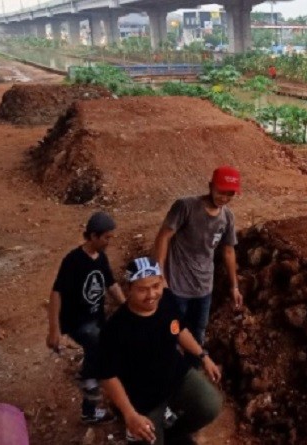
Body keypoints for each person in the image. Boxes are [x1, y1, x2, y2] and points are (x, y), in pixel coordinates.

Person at [99, 257, 222, 445]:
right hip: (143, 397)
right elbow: (107, 375)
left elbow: (179, 329)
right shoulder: (116, 328)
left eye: (155, 286)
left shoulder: (167, 300)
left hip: (175, 376)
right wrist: (130, 414)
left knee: (210, 405)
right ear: (129, 288)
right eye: (142, 289)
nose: (151, 295)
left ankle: (173, 434)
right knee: (146, 437)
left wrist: (203, 356)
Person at [46, 211, 125, 424]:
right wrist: (54, 330)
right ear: (92, 236)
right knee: (98, 345)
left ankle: (92, 404)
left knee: (110, 344)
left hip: (97, 318)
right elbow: (56, 293)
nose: (109, 241)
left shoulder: (101, 258)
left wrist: (127, 307)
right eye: (106, 237)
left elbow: (111, 284)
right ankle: (89, 381)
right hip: (77, 322)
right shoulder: (73, 261)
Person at [153, 166, 242, 346]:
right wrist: (159, 275)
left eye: (229, 194)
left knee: (199, 331)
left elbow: (228, 251)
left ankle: (194, 366)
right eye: (220, 192)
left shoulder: (228, 218)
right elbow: (164, 236)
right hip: (178, 286)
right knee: (174, 332)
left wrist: (234, 286)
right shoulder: (186, 206)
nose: (224, 198)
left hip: (204, 287)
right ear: (210, 186)